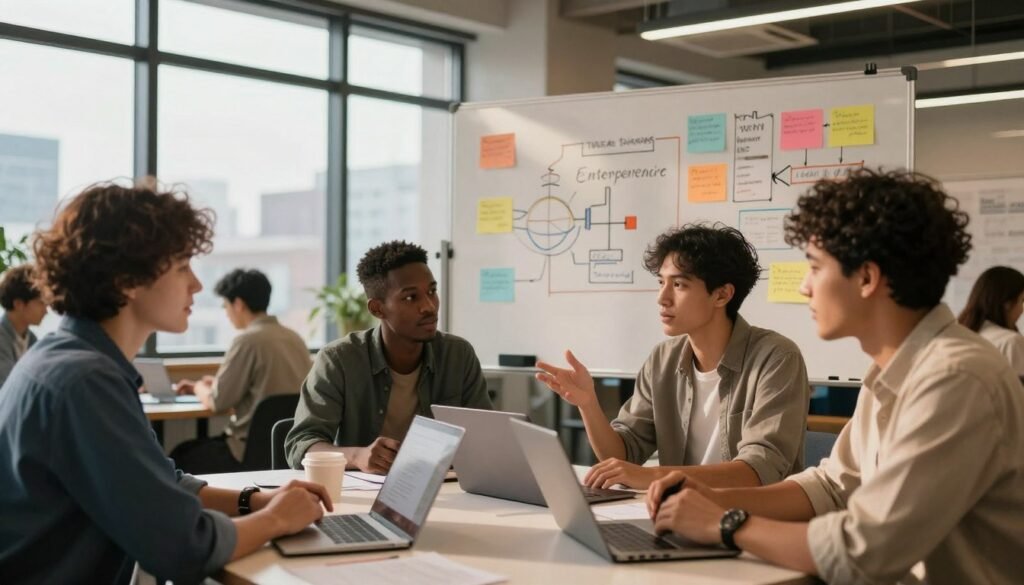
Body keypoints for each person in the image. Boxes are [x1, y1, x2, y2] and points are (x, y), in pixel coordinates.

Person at [647, 169, 1024, 584]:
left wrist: (728, 523)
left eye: (814, 267)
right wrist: (712, 498)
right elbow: (832, 486)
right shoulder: (893, 370)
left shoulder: (955, 378)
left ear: (866, 277)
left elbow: (863, 552)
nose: (806, 287)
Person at [0, 181, 331, 584]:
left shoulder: (68, 359)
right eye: (181, 267)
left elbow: (159, 483)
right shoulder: (84, 380)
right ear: (127, 281)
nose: (196, 284)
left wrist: (254, 499)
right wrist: (276, 519)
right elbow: (184, 548)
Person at [537, 224, 810, 490]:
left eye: (679, 284)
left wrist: (655, 476)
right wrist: (588, 404)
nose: (662, 298)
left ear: (722, 294)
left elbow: (758, 470)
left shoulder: (777, 358)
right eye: (661, 282)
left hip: (750, 522)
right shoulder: (663, 359)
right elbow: (622, 456)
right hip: (679, 516)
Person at [285, 240, 493, 473]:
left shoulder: (458, 355)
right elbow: (301, 445)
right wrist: (357, 456)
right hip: (366, 494)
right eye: (410, 297)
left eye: (432, 292)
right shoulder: (339, 360)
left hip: (444, 491)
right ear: (377, 309)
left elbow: (485, 439)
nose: (429, 307)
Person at [171, 268, 313, 473]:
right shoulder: (294, 338)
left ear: (238, 304)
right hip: (287, 450)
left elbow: (218, 402)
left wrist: (198, 387)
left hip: (246, 451)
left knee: (180, 455)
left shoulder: (247, 340)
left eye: (225, 306)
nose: (227, 313)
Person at [957, 265, 1024, 376]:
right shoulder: (1011, 342)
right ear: (1007, 304)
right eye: (1022, 301)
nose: (1022, 309)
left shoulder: (958, 336)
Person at [0, 264, 47, 386]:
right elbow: (6, 388)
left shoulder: (31, 339)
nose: (46, 311)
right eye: (41, 303)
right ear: (18, 304)